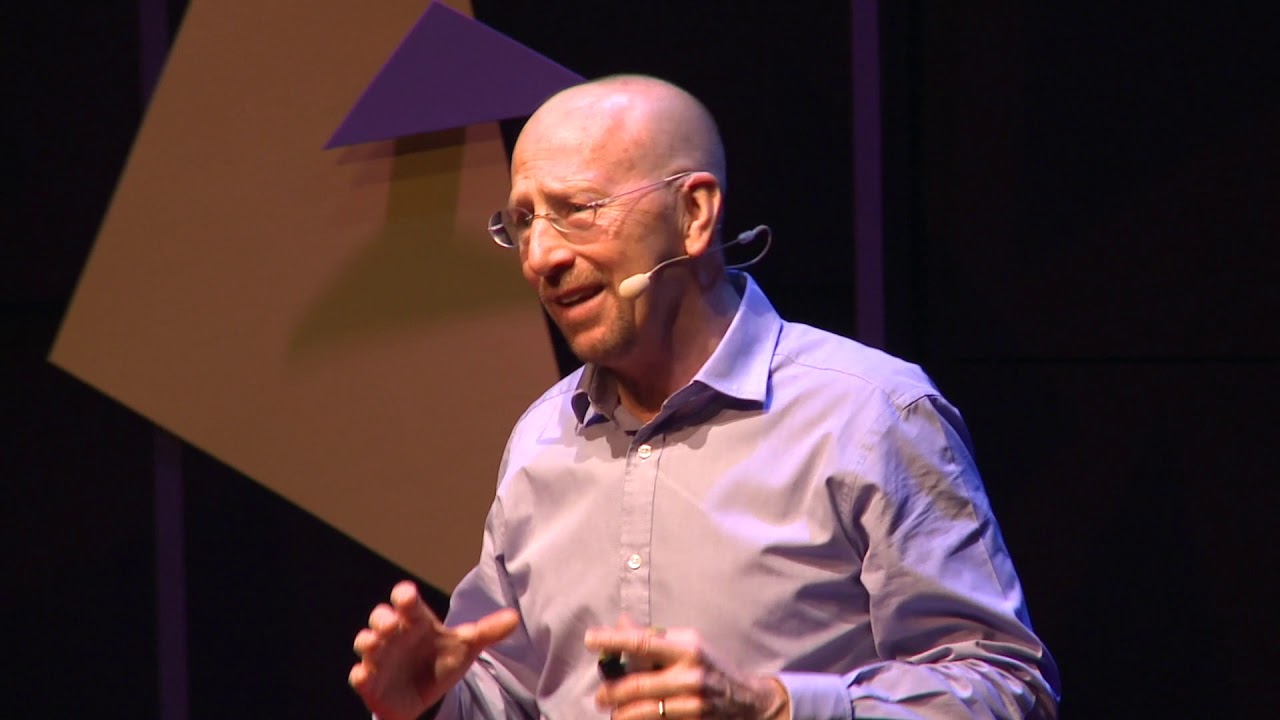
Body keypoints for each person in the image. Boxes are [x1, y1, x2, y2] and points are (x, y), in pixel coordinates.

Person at [349, 75, 1060, 720]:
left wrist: (776, 707)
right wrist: (431, 706)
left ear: (693, 214)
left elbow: (1006, 689)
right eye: (524, 221)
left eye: (579, 210)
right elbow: (514, 692)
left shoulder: (869, 415)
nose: (542, 257)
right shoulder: (542, 439)